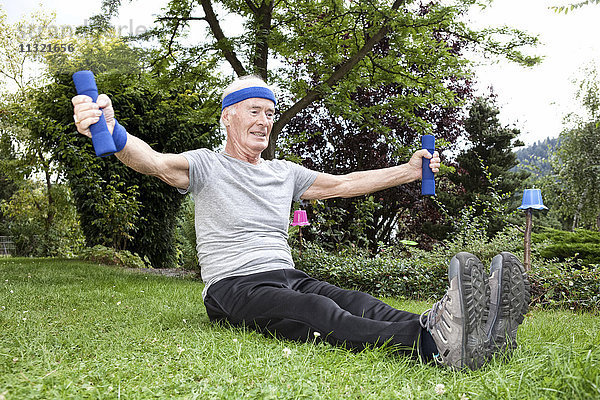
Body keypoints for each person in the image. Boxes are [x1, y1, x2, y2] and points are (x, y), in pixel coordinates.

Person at [72, 75, 530, 370]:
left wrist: (409, 171)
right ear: (228, 118)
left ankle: (460, 329)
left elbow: (345, 183)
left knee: (357, 299)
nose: (265, 121)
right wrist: (112, 130)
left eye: (270, 113)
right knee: (318, 314)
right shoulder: (206, 165)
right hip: (234, 286)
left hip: (287, 274)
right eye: (254, 111)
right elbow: (151, 161)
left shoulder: (283, 172)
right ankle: (432, 345)